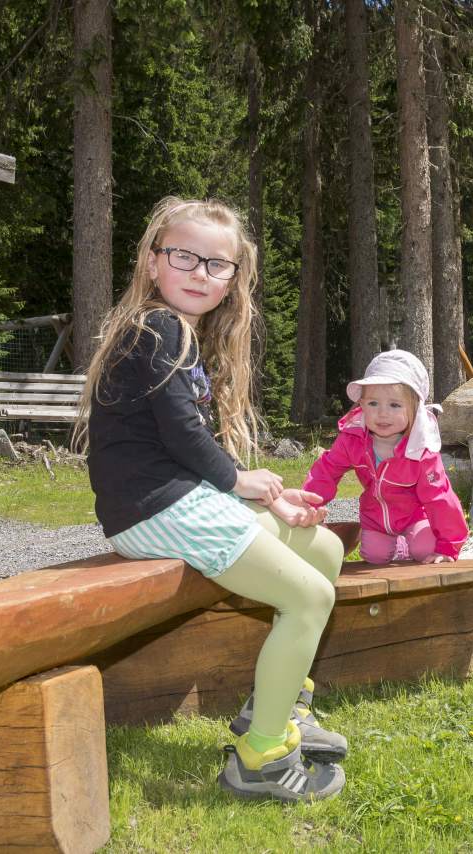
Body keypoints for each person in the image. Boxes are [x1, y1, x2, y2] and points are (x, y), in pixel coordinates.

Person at [76, 197, 346, 802]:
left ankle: (274, 708)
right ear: (152, 263)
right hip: (154, 509)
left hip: (179, 499)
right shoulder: (157, 328)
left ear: (233, 280)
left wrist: (267, 497)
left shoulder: (177, 333)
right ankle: (260, 762)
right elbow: (179, 431)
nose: (200, 272)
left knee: (322, 548)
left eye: (217, 264)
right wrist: (238, 482)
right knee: (311, 595)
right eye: (185, 257)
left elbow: (185, 441)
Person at [303, 350, 469, 564]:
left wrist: (448, 546)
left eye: (394, 405)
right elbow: (326, 471)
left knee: (424, 549)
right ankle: (398, 546)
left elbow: (440, 497)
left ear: (414, 409)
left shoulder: (421, 450)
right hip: (376, 518)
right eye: (373, 403)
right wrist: (309, 505)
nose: (382, 413)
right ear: (361, 405)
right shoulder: (353, 439)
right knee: (375, 556)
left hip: (414, 516)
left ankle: (410, 543)